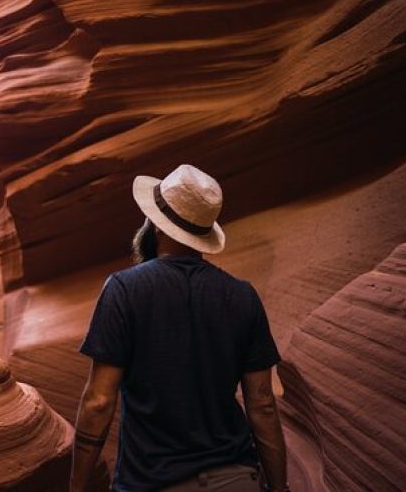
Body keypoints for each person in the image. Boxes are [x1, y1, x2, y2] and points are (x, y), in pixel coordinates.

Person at [70, 165, 288, 492]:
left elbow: (99, 402)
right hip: (236, 480)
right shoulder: (242, 296)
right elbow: (262, 404)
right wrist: (280, 487)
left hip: (151, 481)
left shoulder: (124, 290)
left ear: (156, 227)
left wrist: (77, 486)